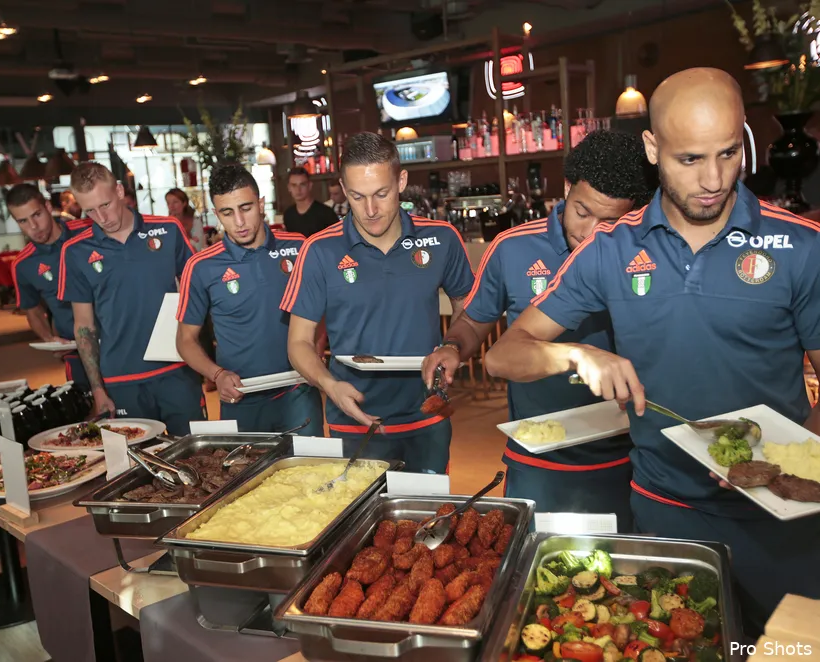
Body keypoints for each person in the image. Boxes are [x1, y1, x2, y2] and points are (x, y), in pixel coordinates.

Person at [484, 68, 820, 635]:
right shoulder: (610, 249)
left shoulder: (800, 246)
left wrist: (798, 468)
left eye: (729, 153)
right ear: (652, 147)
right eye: (690, 159)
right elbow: (505, 354)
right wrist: (578, 356)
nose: (713, 179)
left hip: (780, 517)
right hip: (663, 508)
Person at [422, 130, 655, 531]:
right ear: (566, 188)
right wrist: (452, 345)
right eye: (582, 212)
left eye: (609, 221)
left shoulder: (642, 253)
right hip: (536, 454)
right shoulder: (513, 247)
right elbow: (476, 320)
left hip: (623, 455)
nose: (591, 233)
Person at [282, 132, 474, 473]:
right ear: (342, 188)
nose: (370, 210)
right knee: (358, 522)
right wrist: (329, 386)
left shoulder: (442, 238)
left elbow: (468, 311)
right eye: (357, 196)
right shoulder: (319, 250)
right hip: (353, 419)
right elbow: (298, 343)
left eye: (381, 194)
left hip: (426, 417)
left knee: (425, 519)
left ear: (401, 181)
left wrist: (453, 347)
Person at [58, 162, 206, 435]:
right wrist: (97, 389)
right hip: (121, 378)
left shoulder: (168, 229)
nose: (101, 217)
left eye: (105, 205)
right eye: (90, 210)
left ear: (118, 191)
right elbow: (84, 326)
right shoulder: (75, 251)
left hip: (176, 370)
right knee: (136, 469)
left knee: (198, 458)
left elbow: (198, 292)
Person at [176, 163, 324, 435]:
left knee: (313, 474)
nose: (239, 222)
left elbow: (321, 310)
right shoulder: (200, 267)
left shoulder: (298, 247)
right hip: (240, 397)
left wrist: (316, 349)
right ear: (215, 213)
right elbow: (185, 340)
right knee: (246, 477)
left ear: (261, 203)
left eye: (246, 208)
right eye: (227, 213)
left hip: (298, 390)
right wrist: (217, 375)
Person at [7, 184, 91, 390]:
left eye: (36, 215)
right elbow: (33, 310)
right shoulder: (23, 264)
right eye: (23, 221)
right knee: (93, 413)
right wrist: (48, 338)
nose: (33, 227)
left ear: (47, 207)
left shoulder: (89, 232)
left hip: (118, 339)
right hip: (75, 351)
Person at [283, 167, 339, 237]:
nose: (298, 189)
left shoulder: (326, 213)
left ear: (310, 185)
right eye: (294, 185)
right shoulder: (288, 215)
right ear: (289, 188)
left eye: (302, 184)